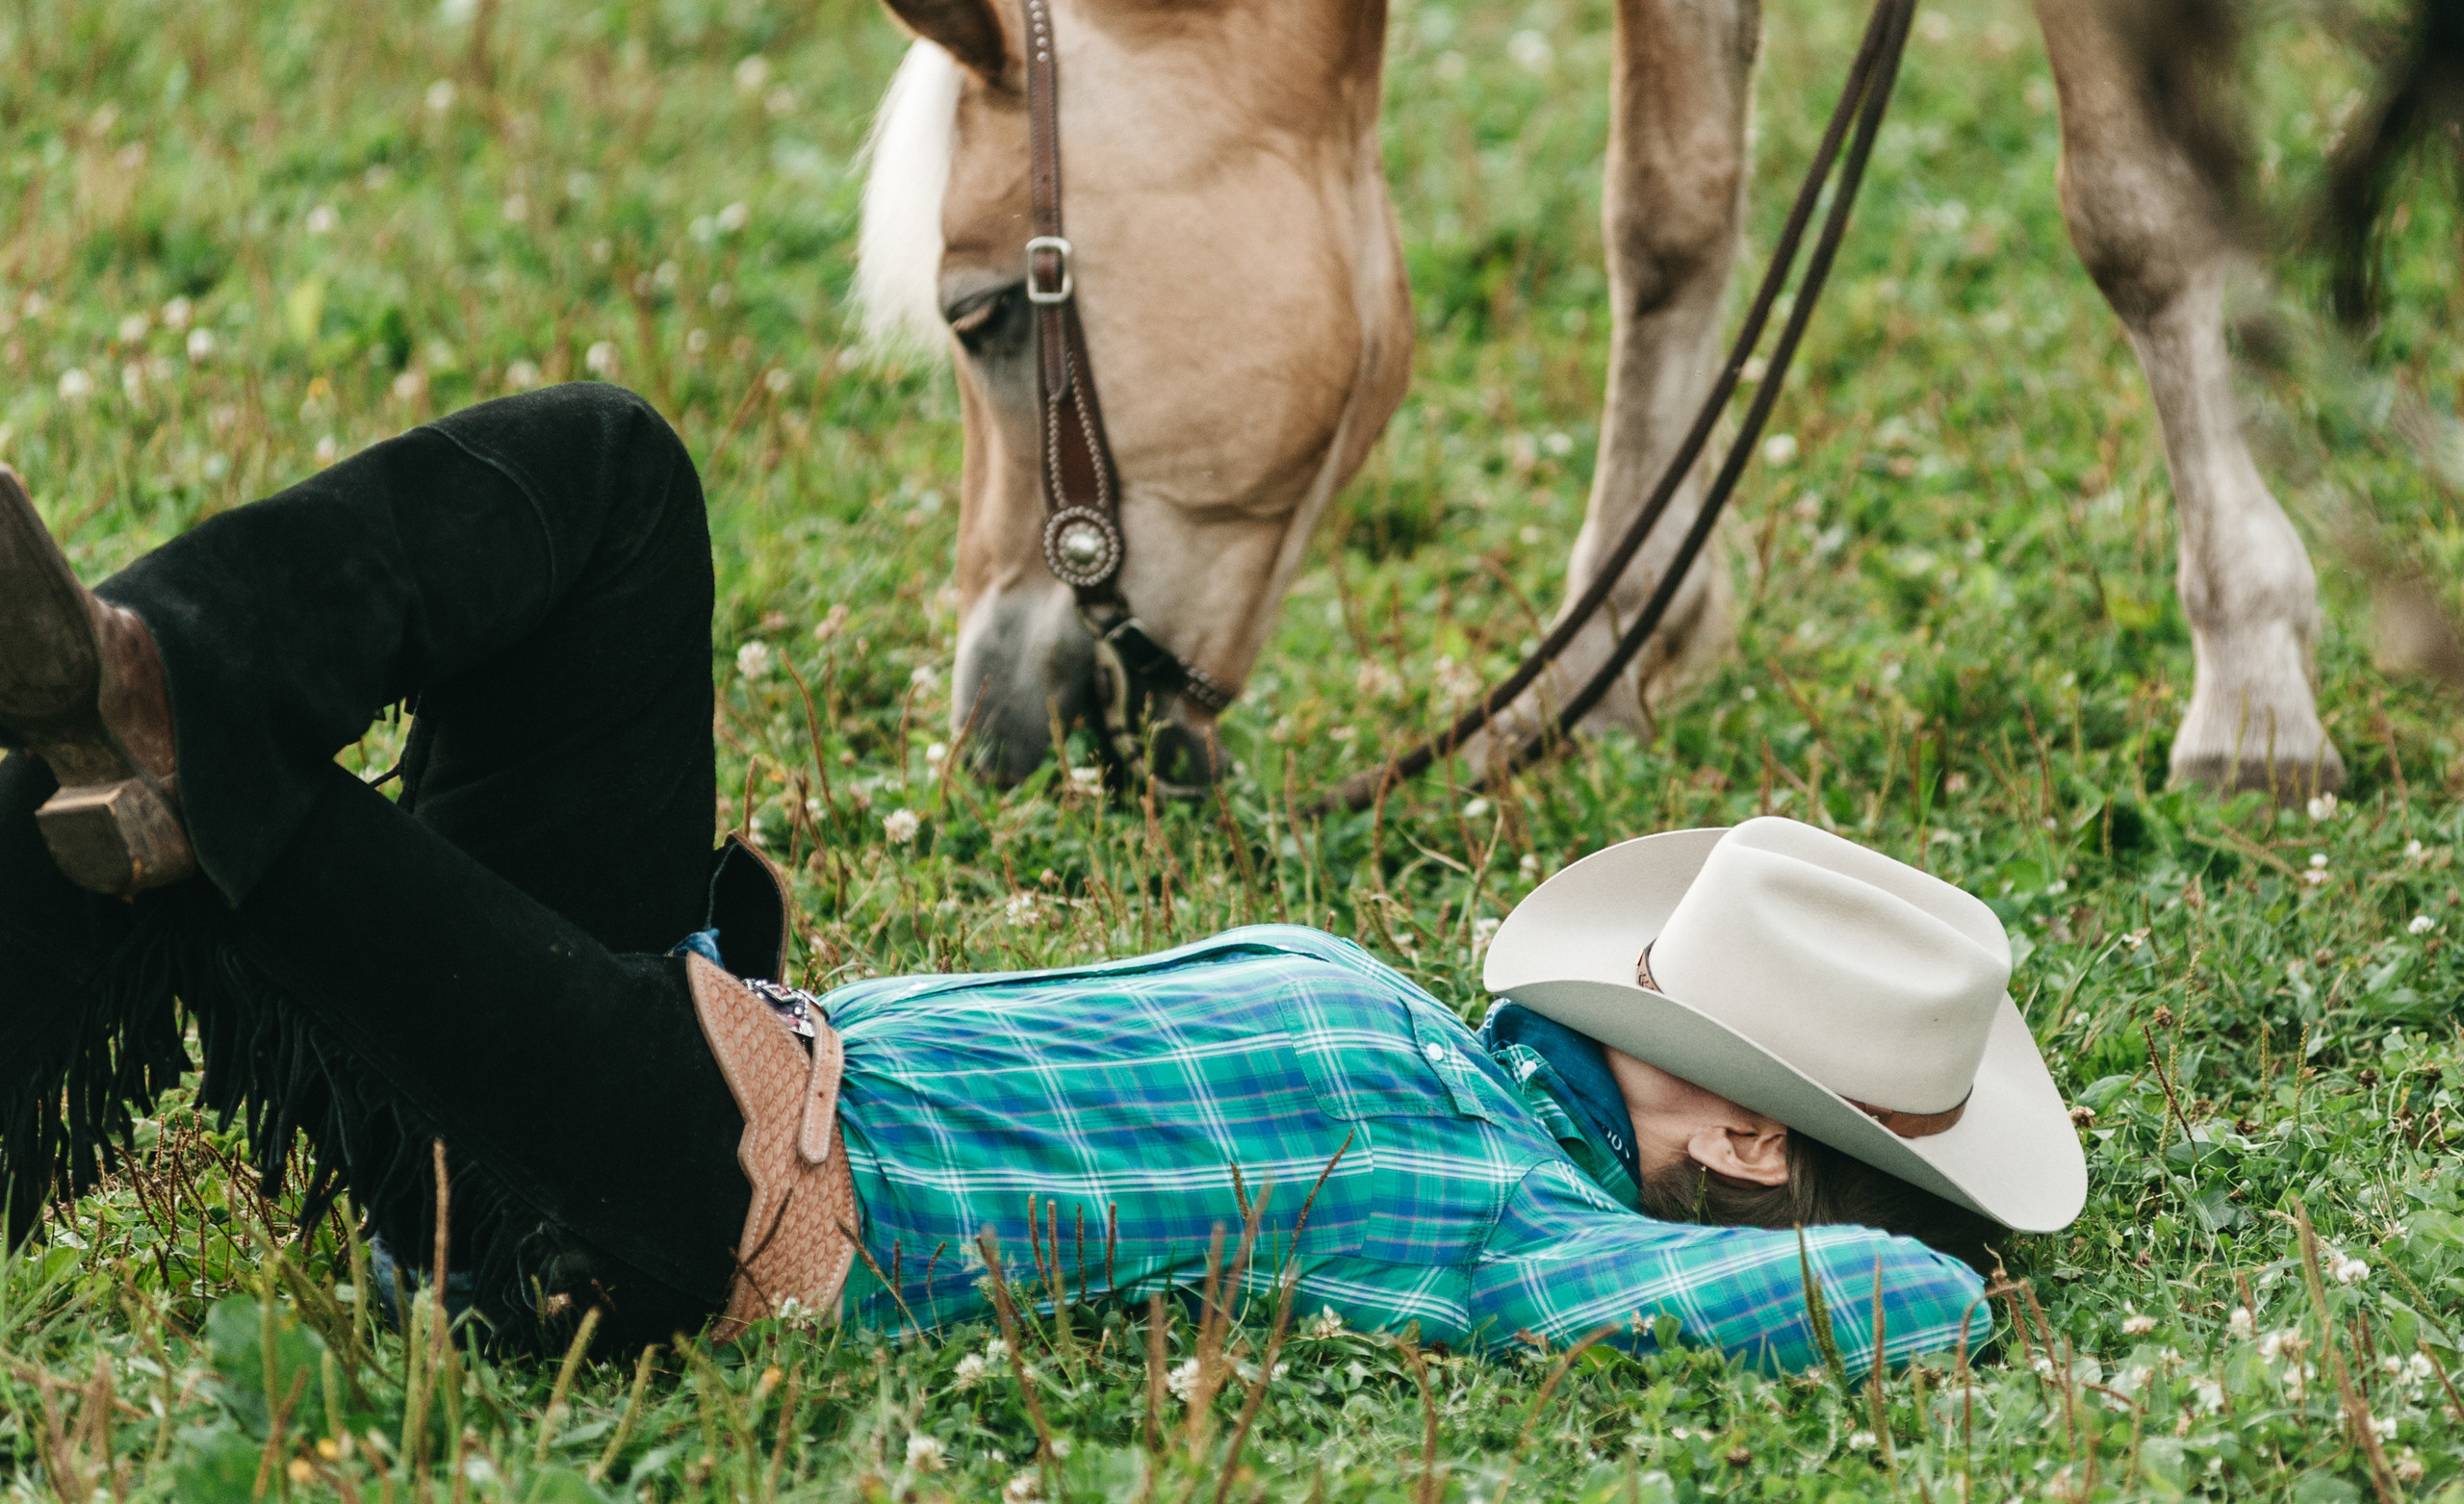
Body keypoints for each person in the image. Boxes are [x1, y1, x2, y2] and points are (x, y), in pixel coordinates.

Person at [0, 386, 2085, 1370]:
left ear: (1732, 1128)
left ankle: (158, 746)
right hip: (673, 1040)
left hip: (683, 1216)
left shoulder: (1501, 1219)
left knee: (226, 818)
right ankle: (135, 676)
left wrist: (1959, 1272)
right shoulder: (1410, 1027)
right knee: (617, 479)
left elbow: (1889, 1299)